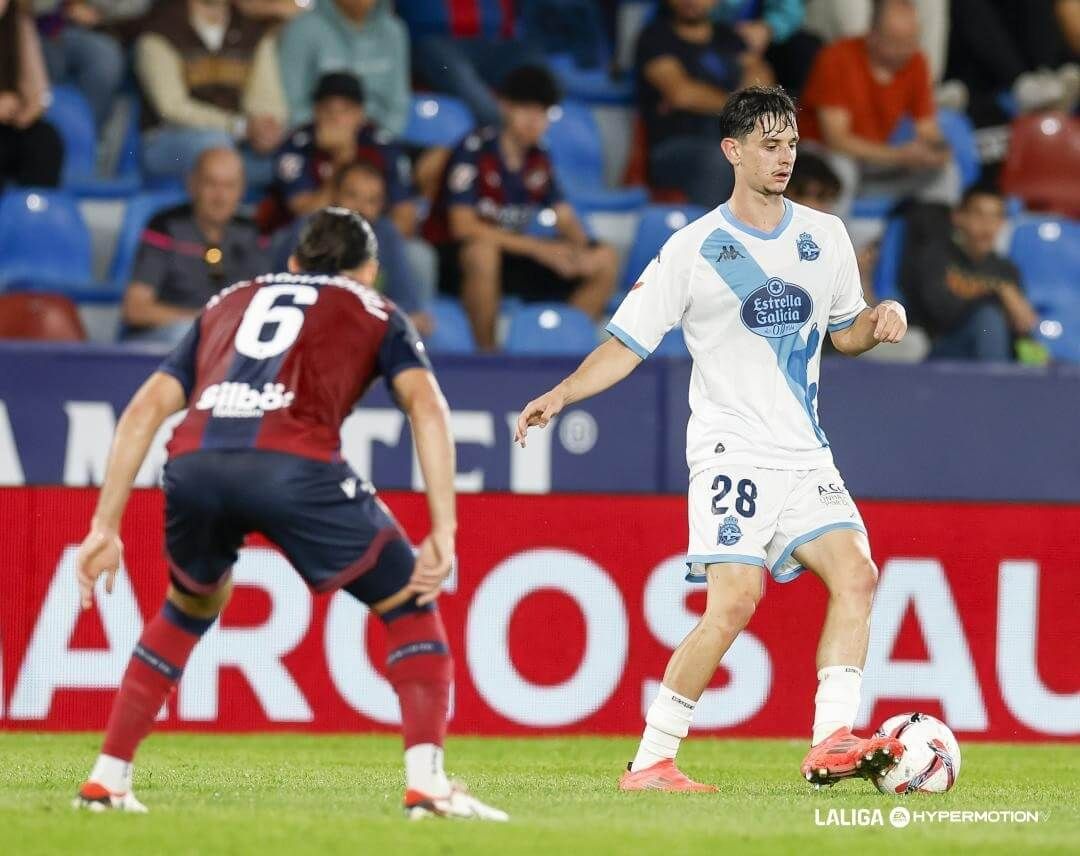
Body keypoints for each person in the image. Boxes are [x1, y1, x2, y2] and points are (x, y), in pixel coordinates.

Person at [515, 85, 910, 791]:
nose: (784, 156)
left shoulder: (827, 236)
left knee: (858, 574)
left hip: (805, 451)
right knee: (733, 603)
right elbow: (628, 342)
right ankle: (651, 760)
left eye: (790, 142)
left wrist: (876, 322)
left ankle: (830, 742)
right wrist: (564, 391)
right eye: (769, 144)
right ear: (732, 151)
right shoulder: (694, 250)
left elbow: (843, 332)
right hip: (733, 449)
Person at [72, 207, 507, 821]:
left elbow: (145, 409)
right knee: (409, 602)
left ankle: (106, 779)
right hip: (291, 464)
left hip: (195, 463)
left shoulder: (229, 300)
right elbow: (427, 409)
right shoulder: (375, 309)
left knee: (190, 604)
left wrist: (103, 527)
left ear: (295, 263)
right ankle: (430, 787)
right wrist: (444, 527)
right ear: (369, 272)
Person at [423, 65, 618, 350]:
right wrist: (541, 249)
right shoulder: (473, 149)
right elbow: (463, 226)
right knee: (482, 252)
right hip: (456, 259)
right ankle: (487, 359)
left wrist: (582, 250)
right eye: (526, 110)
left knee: (606, 258)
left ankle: (561, 348)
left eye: (542, 113)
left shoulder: (539, 157)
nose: (534, 121)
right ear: (505, 106)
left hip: (511, 256)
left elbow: (564, 216)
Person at [799, 0, 960, 220]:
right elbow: (836, 139)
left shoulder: (916, 61)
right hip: (821, 157)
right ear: (873, 35)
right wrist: (899, 156)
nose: (905, 50)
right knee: (842, 168)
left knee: (946, 173)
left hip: (875, 161)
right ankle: (834, 250)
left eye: (911, 41)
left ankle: (931, 244)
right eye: (896, 43)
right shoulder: (836, 58)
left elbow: (928, 129)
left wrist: (937, 151)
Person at [122, 147, 271, 345]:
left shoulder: (251, 233)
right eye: (211, 184)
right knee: (187, 334)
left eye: (230, 186)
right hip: (164, 342)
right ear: (192, 184)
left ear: (242, 190)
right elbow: (135, 309)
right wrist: (203, 321)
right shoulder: (165, 226)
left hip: (226, 342)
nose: (220, 197)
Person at [635, 0, 772, 207]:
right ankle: (709, 237)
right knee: (718, 159)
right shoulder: (655, 37)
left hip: (730, 139)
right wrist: (742, 105)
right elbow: (682, 94)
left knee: (781, 155)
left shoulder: (727, 37)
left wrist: (713, 101)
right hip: (674, 146)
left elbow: (761, 77)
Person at [135, 0, 287, 185]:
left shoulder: (253, 30)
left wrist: (266, 126)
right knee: (217, 147)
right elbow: (172, 108)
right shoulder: (160, 30)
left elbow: (266, 95)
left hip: (238, 138)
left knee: (288, 159)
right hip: (168, 139)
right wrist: (237, 127)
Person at [273, 161, 433, 333]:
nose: (361, 208)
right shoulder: (309, 230)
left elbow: (407, 304)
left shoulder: (386, 235)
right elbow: (286, 301)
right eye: (352, 196)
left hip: (367, 331)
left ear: (382, 206)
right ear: (335, 195)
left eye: (372, 201)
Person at [267, 72, 415, 237]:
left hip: (369, 236)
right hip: (310, 238)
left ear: (360, 114)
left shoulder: (383, 146)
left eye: (345, 110)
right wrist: (341, 158)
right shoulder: (297, 146)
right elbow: (306, 216)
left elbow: (405, 220)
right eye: (327, 109)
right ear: (316, 111)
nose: (335, 118)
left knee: (418, 254)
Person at [901, 186, 1038, 361]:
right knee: (988, 318)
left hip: (993, 352)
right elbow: (941, 314)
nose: (987, 225)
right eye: (979, 214)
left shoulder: (1007, 269)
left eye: (996, 216)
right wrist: (997, 292)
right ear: (958, 217)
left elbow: (1021, 328)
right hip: (941, 349)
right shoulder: (935, 256)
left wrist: (1023, 322)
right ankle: (997, 384)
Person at [396, 0, 549, 128]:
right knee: (444, 59)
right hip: (437, 40)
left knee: (532, 55)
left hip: (493, 42)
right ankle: (500, 129)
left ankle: (531, 124)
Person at [278, 0, 410, 136]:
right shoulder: (302, 29)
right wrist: (320, 136)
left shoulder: (393, 31)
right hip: (315, 139)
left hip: (377, 141)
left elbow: (398, 105)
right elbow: (292, 103)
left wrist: (377, 141)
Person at [0, 0, 64, 191]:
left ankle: (35, 213)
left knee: (45, 140)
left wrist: (25, 110)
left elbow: (39, 90)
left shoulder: (19, 24)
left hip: (11, 123)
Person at [32, 0, 125, 129]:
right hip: (31, 28)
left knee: (105, 56)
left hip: (81, 30)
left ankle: (85, 134)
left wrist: (98, 13)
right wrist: (65, 5)